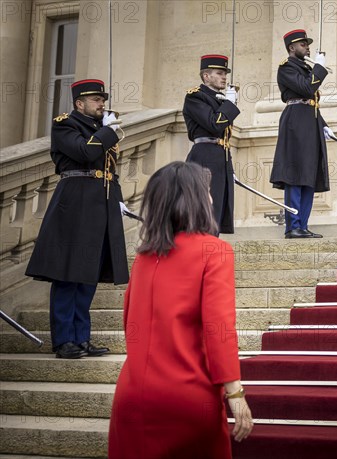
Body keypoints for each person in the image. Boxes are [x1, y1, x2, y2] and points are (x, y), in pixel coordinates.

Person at [108, 162, 253, 459]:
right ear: (197, 199)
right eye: (208, 192)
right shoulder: (214, 250)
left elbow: (129, 323)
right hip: (187, 397)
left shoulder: (143, 258)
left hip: (131, 397)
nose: (212, 199)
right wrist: (236, 393)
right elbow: (219, 330)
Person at [25, 79, 128, 358]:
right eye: (95, 99)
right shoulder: (65, 125)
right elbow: (85, 152)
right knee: (67, 275)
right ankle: (63, 341)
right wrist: (108, 132)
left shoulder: (101, 129)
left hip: (100, 204)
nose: (101, 103)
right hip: (74, 203)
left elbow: (109, 168)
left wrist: (117, 199)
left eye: (102, 99)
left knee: (88, 276)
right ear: (79, 103)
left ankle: (82, 338)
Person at [270, 29, 332, 239]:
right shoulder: (286, 68)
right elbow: (306, 90)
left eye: (307, 44)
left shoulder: (305, 69)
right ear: (291, 48)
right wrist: (319, 68)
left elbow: (311, 100)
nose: (307, 47)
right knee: (295, 175)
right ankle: (292, 225)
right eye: (303, 44)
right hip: (295, 121)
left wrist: (323, 124)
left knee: (308, 176)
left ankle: (302, 225)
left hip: (310, 120)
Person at [184, 54, 240, 234]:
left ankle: (211, 255)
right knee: (203, 212)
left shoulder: (219, 99)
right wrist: (230, 104)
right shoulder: (195, 97)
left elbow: (224, 135)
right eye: (219, 73)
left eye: (225, 73)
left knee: (216, 213)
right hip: (204, 156)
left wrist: (228, 168)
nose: (224, 77)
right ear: (206, 76)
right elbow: (214, 124)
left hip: (221, 158)